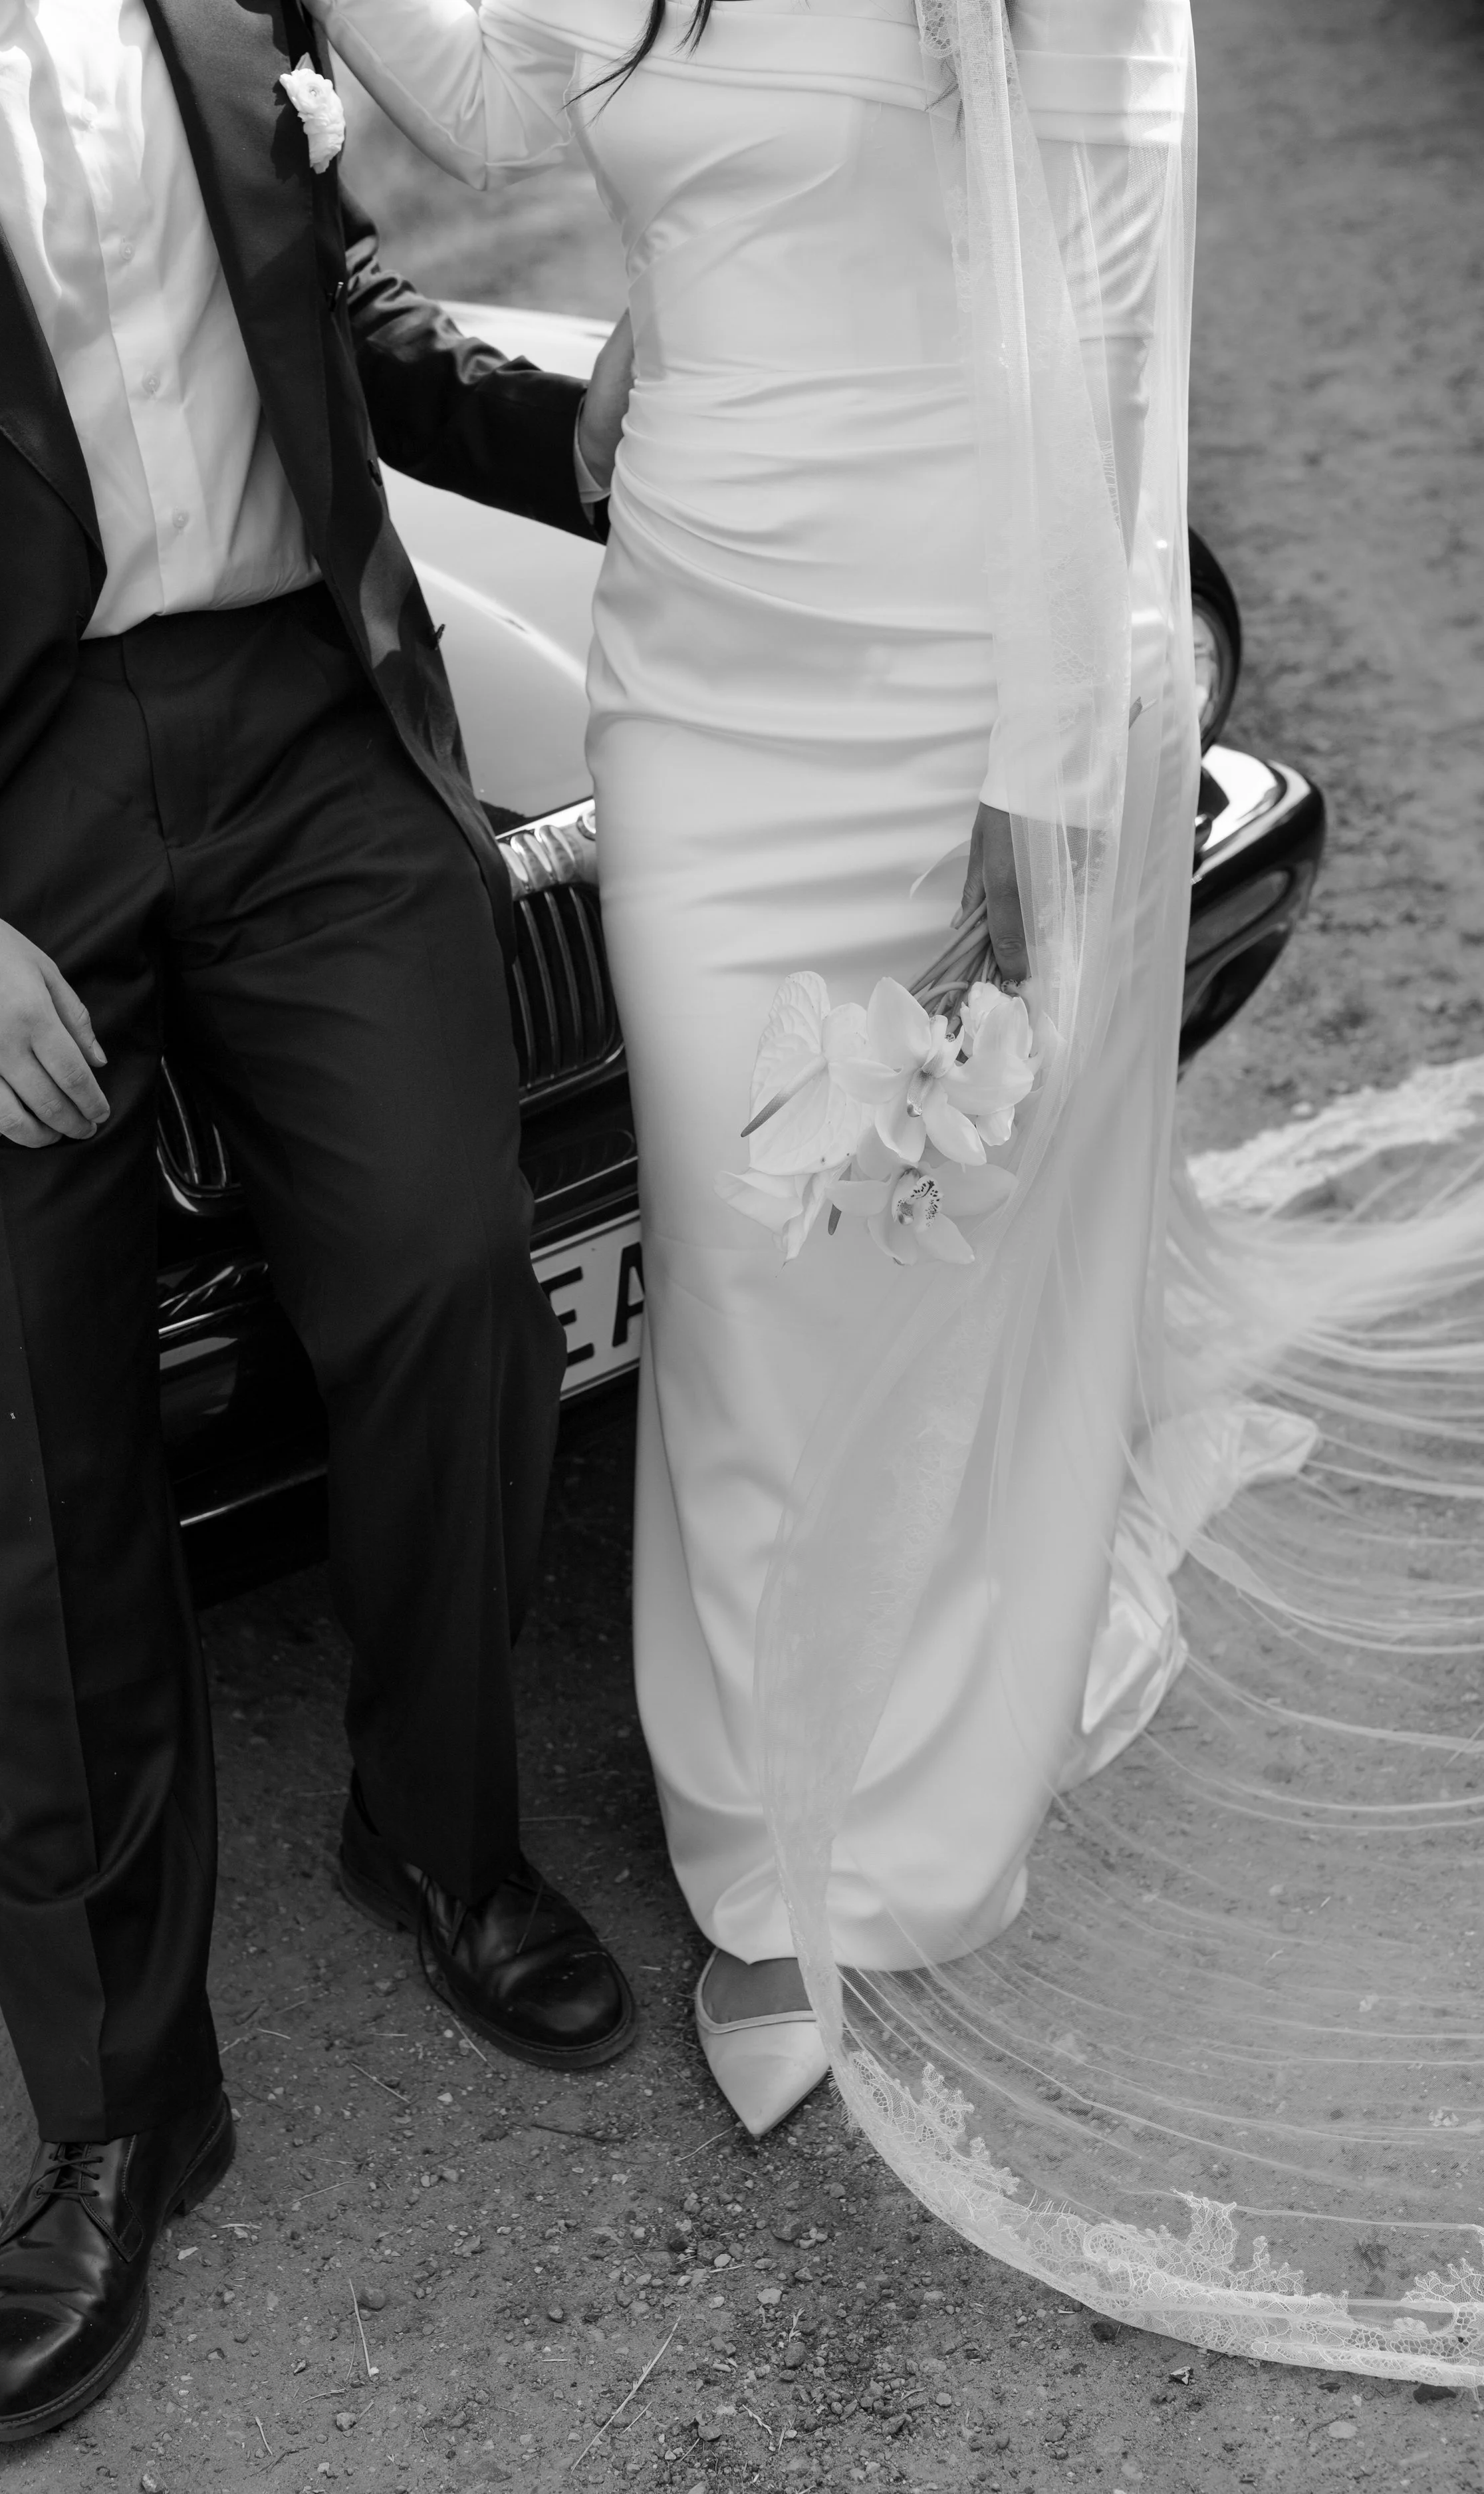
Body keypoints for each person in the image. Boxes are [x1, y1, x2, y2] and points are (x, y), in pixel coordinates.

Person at [310, 0, 1484, 2383]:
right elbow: (501, 98)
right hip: (691, 684)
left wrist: (1035, 786)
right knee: (745, 1262)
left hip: (948, 678)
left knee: (920, 1255)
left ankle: (912, 1801)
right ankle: (763, 1837)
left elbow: (1112, 313)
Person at [0, 0, 640, 2443]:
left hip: (301, 731)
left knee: (455, 1280)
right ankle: (124, 2111)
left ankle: (438, 1831)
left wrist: (564, 427)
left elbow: (323, 310)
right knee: (16, 1462)